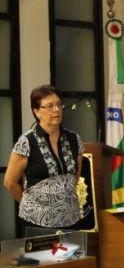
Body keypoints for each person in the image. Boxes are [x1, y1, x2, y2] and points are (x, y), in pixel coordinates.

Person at [4, 85, 84, 229]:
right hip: (36, 221)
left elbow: (75, 177)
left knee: (74, 252)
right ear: (37, 111)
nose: (56, 109)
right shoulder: (27, 142)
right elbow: (10, 183)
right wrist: (32, 205)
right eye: (49, 106)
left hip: (71, 219)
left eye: (59, 104)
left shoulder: (74, 139)